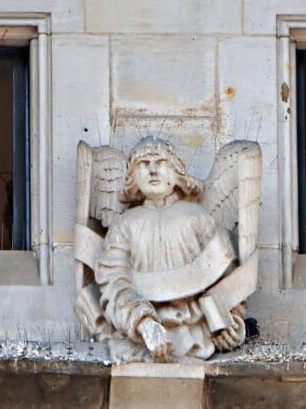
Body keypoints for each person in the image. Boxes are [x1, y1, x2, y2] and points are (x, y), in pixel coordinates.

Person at [94, 137, 246, 362]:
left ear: (177, 174)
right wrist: (142, 323)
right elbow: (114, 284)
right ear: (133, 176)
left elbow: (227, 279)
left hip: (196, 335)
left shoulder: (199, 218)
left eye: (161, 162)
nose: (153, 170)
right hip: (139, 340)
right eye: (144, 164)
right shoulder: (124, 224)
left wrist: (230, 324)